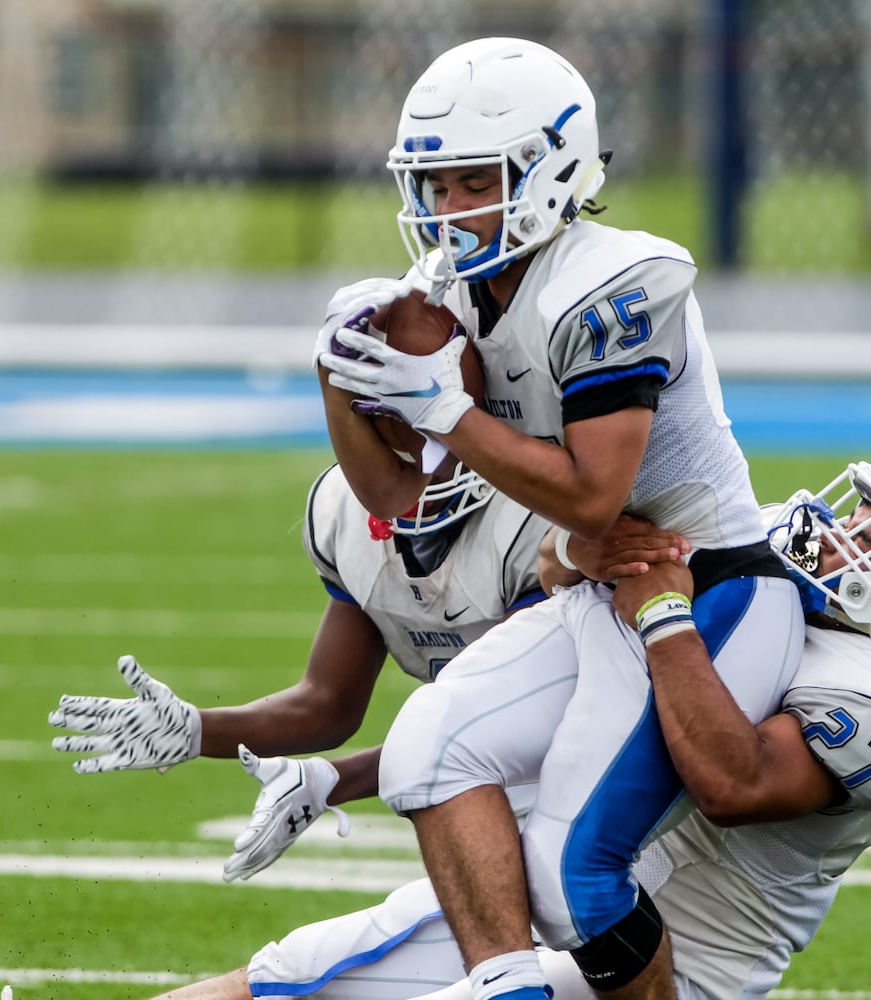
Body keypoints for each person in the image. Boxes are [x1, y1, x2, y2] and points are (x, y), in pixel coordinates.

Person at [0, 455, 871, 1000]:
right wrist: (586, 556)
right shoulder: (780, 584)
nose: (839, 528)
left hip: (668, 963)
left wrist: (670, 612)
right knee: (298, 971)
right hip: (567, 870)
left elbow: (729, 774)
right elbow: (563, 661)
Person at [316, 36, 802, 1000]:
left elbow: (592, 495)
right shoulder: (448, 296)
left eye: (471, 183)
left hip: (713, 595)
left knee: (575, 877)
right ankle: (508, 987)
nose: (448, 212)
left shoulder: (618, 279)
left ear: (551, 168)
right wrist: (342, 380)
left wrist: (438, 407)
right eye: (434, 187)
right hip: (597, 590)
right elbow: (396, 496)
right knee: (429, 748)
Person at [45, 453, 552, 879]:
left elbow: (497, 724)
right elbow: (327, 702)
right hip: (472, 814)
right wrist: (199, 730)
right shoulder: (346, 514)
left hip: (574, 803)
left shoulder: (528, 519)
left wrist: (330, 780)